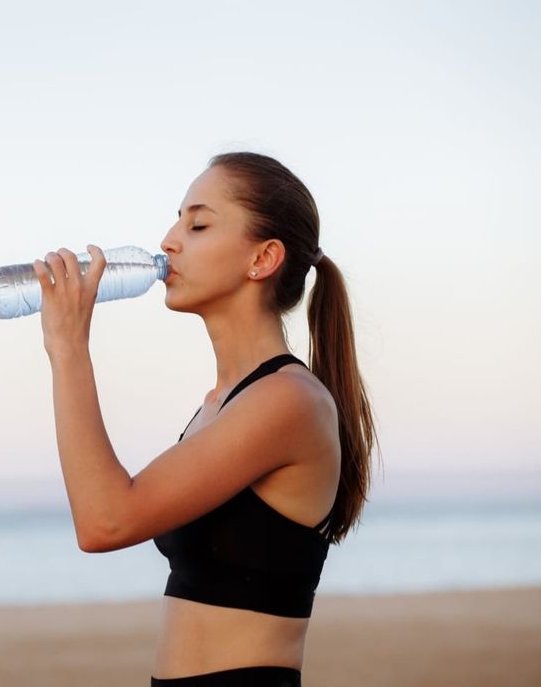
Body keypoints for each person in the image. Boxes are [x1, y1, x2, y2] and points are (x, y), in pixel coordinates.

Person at [31, 151, 378, 686]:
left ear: (263, 259)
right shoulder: (221, 404)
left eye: (197, 223)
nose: (169, 240)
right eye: (177, 221)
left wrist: (68, 348)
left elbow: (105, 520)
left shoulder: (287, 402)